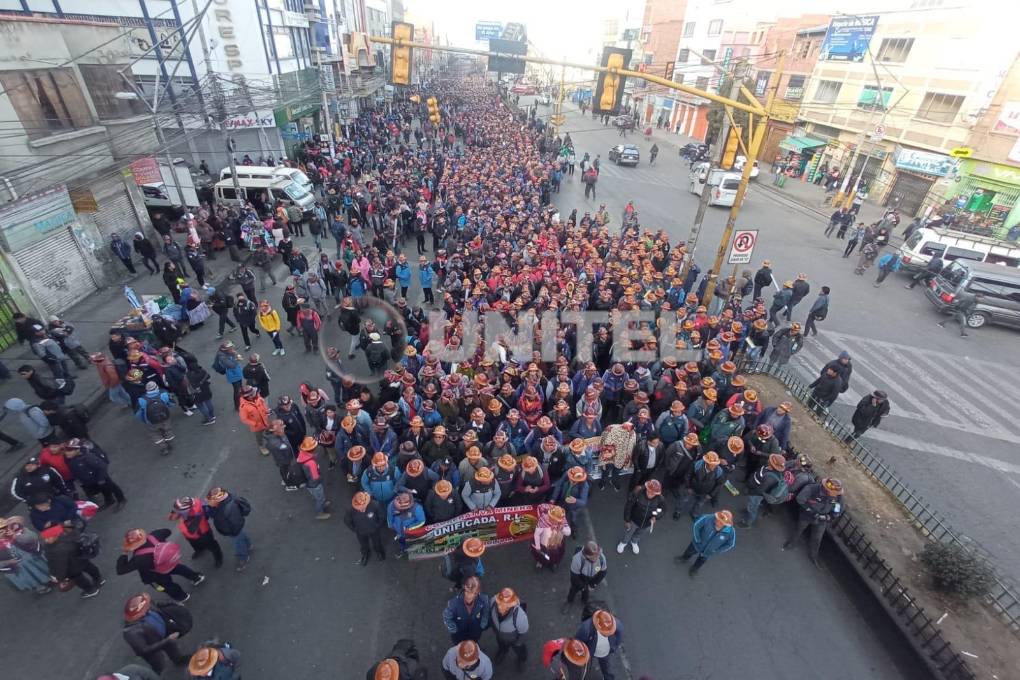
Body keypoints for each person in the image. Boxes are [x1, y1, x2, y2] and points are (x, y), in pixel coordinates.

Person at [116, 527, 205, 602]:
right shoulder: (155, 535)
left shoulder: (138, 559)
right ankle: (196, 577)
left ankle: (182, 596)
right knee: (180, 569)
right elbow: (167, 531)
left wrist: (124, 553)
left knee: (167, 586)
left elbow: (120, 570)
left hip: (155, 574)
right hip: (168, 562)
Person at [121, 592, 192, 674]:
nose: (149, 607)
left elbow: (158, 604)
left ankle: (178, 660)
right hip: (154, 646)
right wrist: (168, 639)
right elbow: (144, 650)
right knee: (159, 665)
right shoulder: (131, 633)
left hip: (164, 634)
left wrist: (174, 603)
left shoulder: (146, 605)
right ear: (139, 614)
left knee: (173, 649)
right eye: (146, 608)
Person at [783, 478, 844, 567]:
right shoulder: (812, 489)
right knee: (799, 529)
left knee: (817, 538)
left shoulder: (838, 498)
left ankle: (813, 555)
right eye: (832, 492)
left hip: (822, 520)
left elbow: (837, 510)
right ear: (826, 488)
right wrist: (812, 512)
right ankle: (791, 543)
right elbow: (800, 499)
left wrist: (829, 516)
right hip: (807, 516)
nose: (834, 495)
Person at [62, 438, 127, 510]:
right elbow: (72, 468)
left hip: (100, 476)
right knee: (103, 489)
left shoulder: (88, 457)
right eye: (66, 450)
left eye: (70, 450)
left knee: (111, 486)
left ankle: (121, 499)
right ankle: (109, 500)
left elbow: (101, 467)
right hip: (89, 478)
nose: (67, 452)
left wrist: (101, 479)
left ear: (78, 450)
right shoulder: (69, 458)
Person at [0, 516, 52, 594]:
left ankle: (51, 576)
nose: (3, 531)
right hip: (17, 567)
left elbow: (33, 538)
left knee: (38, 564)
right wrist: (8, 562)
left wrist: (15, 536)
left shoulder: (18, 529)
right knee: (26, 573)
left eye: (3, 528)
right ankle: (38, 586)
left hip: (33, 556)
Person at [204, 487, 252, 571]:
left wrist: (231, 532)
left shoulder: (225, 510)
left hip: (233, 530)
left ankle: (243, 558)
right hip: (236, 528)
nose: (209, 503)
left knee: (238, 544)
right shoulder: (227, 503)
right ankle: (248, 545)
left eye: (211, 501)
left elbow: (231, 522)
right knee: (242, 535)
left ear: (218, 501)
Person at [676, 509, 736, 576]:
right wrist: (697, 539)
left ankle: (694, 569)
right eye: (718, 519)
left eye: (721, 522)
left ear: (726, 524)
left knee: (701, 561)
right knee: (689, 551)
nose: (718, 522)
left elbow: (730, 544)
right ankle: (684, 558)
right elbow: (696, 526)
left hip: (708, 551)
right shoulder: (708, 518)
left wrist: (717, 550)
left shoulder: (731, 532)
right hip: (697, 544)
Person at [168, 496, 223, 569]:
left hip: (203, 534)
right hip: (193, 536)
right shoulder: (189, 504)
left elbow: (190, 532)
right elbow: (171, 516)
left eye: (179, 511)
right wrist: (173, 514)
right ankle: (199, 549)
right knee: (194, 543)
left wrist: (180, 523)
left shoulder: (196, 515)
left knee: (212, 545)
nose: (177, 512)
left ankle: (218, 557)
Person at [616, 479, 665, 555]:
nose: (650, 494)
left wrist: (655, 516)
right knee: (629, 532)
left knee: (639, 533)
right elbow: (629, 506)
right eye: (649, 491)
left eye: (653, 493)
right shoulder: (638, 492)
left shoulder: (660, 498)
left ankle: (634, 541)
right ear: (647, 488)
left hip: (647, 523)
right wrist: (627, 520)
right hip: (634, 520)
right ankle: (623, 542)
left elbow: (661, 509)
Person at [739, 453, 788, 527]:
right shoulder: (768, 467)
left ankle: (747, 523)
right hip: (754, 490)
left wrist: (750, 492)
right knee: (751, 504)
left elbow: (760, 490)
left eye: (770, 460)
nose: (768, 459)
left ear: (772, 464)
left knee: (753, 507)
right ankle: (748, 510)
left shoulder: (770, 477)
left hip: (756, 494)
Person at [443, 575, 491, 644]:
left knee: (473, 644)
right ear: (464, 588)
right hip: (459, 635)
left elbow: (486, 612)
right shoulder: (453, 604)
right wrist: (453, 629)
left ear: (478, 592)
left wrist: (482, 625)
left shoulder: (484, 600)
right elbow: (446, 617)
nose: (470, 596)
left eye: (474, 593)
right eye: (468, 591)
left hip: (475, 633)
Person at [576, 609, 622, 680]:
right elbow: (578, 643)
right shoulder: (585, 629)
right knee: (584, 668)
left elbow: (619, 635)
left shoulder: (616, 624)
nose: (607, 634)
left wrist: (614, 647)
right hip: (590, 652)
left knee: (607, 669)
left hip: (605, 653)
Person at [562, 540, 607, 613]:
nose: (598, 557)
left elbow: (603, 572)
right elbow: (574, 577)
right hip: (579, 578)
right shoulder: (577, 559)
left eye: (598, 554)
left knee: (586, 593)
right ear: (587, 556)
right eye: (595, 556)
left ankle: (584, 601)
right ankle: (569, 601)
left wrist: (593, 585)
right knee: (573, 591)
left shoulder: (601, 558)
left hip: (591, 579)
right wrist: (584, 587)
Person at [344, 491, 386, 566]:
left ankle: (379, 552)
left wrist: (377, 526)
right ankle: (365, 555)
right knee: (363, 545)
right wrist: (355, 529)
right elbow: (347, 521)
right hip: (361, 532)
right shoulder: (350, 509)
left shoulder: (375, 505)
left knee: (377, 543)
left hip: (374, 531)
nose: (361, 509)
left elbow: (382, 516)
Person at [296, 436, 331, 519]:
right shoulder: (311, 463)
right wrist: (321, 477)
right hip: (315, 485)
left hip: (308, 483)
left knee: (317, 496)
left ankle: (322, 501)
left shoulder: (302, 454)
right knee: (320, 498)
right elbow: (315, 477)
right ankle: (320, 513)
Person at [531, 502, 571, 571]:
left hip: (556, 545)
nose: (556, 522)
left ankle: (553, 563)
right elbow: (537, 534)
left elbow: (568, 532)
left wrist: (562, 528)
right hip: (543, 544)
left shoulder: (562, 519)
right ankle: (540, 563)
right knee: (541, 555)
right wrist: (537, 546)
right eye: (555, 520)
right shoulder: (543, 520)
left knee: (556, 556)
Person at [238, 385, 271, 454]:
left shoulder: (257, 397)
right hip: (257, 426)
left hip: (265, 420)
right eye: (252, 393)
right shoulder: (243, 407)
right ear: (247, 396)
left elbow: (263, 404)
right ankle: (261, 446)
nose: (255, 393)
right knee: (259, 437)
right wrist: (254, 423)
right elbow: (244, 419)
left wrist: (266, 410)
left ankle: (270, 440)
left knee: (268, 431)